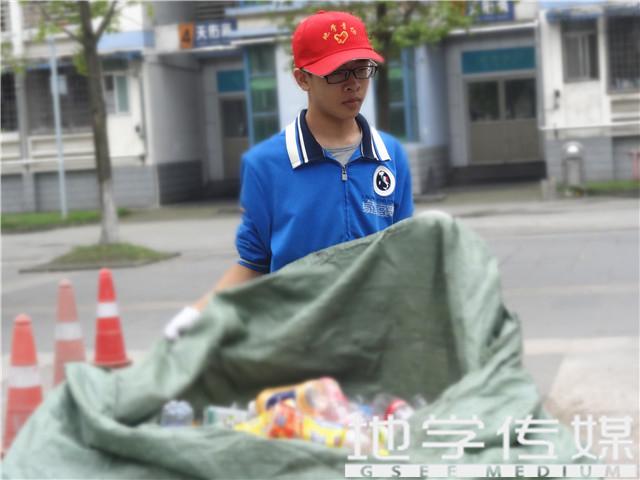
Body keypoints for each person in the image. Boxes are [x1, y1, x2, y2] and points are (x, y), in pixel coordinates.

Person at [165, 10, 414, 339]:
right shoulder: (265, 165)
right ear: (302, 79)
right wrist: (198, 313)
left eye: (361, 68)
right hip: (296, 340)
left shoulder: (390, 155)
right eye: (337, 73)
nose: (353, 83)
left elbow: (405, 253)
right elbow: (254, 263)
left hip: (375, 339)